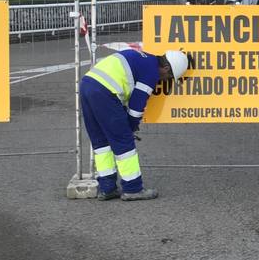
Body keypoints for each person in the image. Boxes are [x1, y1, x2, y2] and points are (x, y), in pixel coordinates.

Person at [80, 47, 190, 201]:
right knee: (124, 141)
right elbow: (137, 106)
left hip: (86, 86)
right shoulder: (151, 72)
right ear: (166, 68)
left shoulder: (142, 57)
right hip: (105, 93)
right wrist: (130, 127)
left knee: (101, 142)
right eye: (170, 76)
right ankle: (133, 188)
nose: (166, 80)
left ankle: (107, 188)